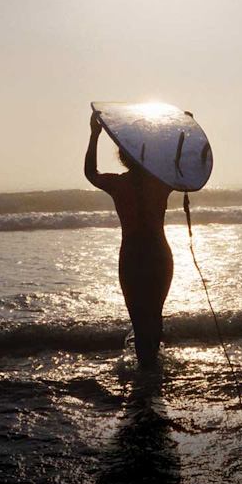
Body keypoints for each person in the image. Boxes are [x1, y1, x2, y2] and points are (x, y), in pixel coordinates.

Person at [86, 113, 173, 368]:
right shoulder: (161, 182)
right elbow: (182, 171)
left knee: (138, 318)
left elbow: (91, 173)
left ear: (123, 157)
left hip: (133, 256)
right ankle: (152, 370)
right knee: (155, 315)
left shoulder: (118, 185)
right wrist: (181, 137)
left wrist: (94, 134)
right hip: (159, 253)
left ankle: (146, 376)